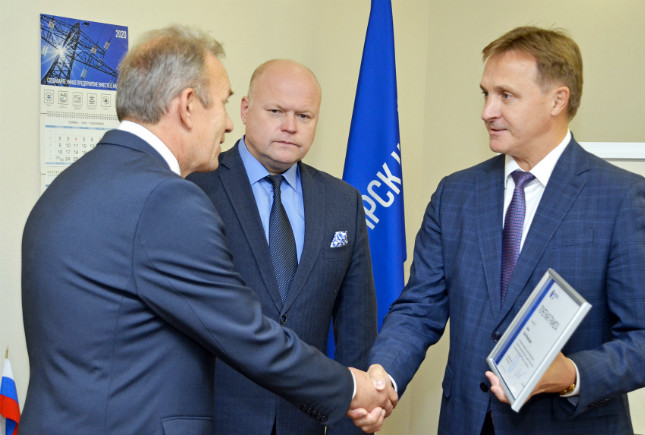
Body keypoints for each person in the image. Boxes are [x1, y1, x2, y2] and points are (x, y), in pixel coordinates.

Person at [20, 25, 394, 435]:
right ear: (187, 106)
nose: (229, 124)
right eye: (222, 104)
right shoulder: (167, 198)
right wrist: (350, 388)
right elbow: (243, 331)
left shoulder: (71, 183)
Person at [360, 26, 645, 435]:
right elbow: (419, 308)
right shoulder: (456, 194)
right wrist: (382, 377)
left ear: (557, 100)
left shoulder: (623, 199)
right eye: (485, 94)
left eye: (506, 95)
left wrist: (572, 374)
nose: (487, 111)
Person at [188, 59, 377, 435]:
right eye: (276, 111)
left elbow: (357, 331)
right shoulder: (195, 189)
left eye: (304, 116)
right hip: (217, 420)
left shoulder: (343, 202)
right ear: (245, 110)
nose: (290, 126)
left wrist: (351, 424)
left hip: (305, 421)